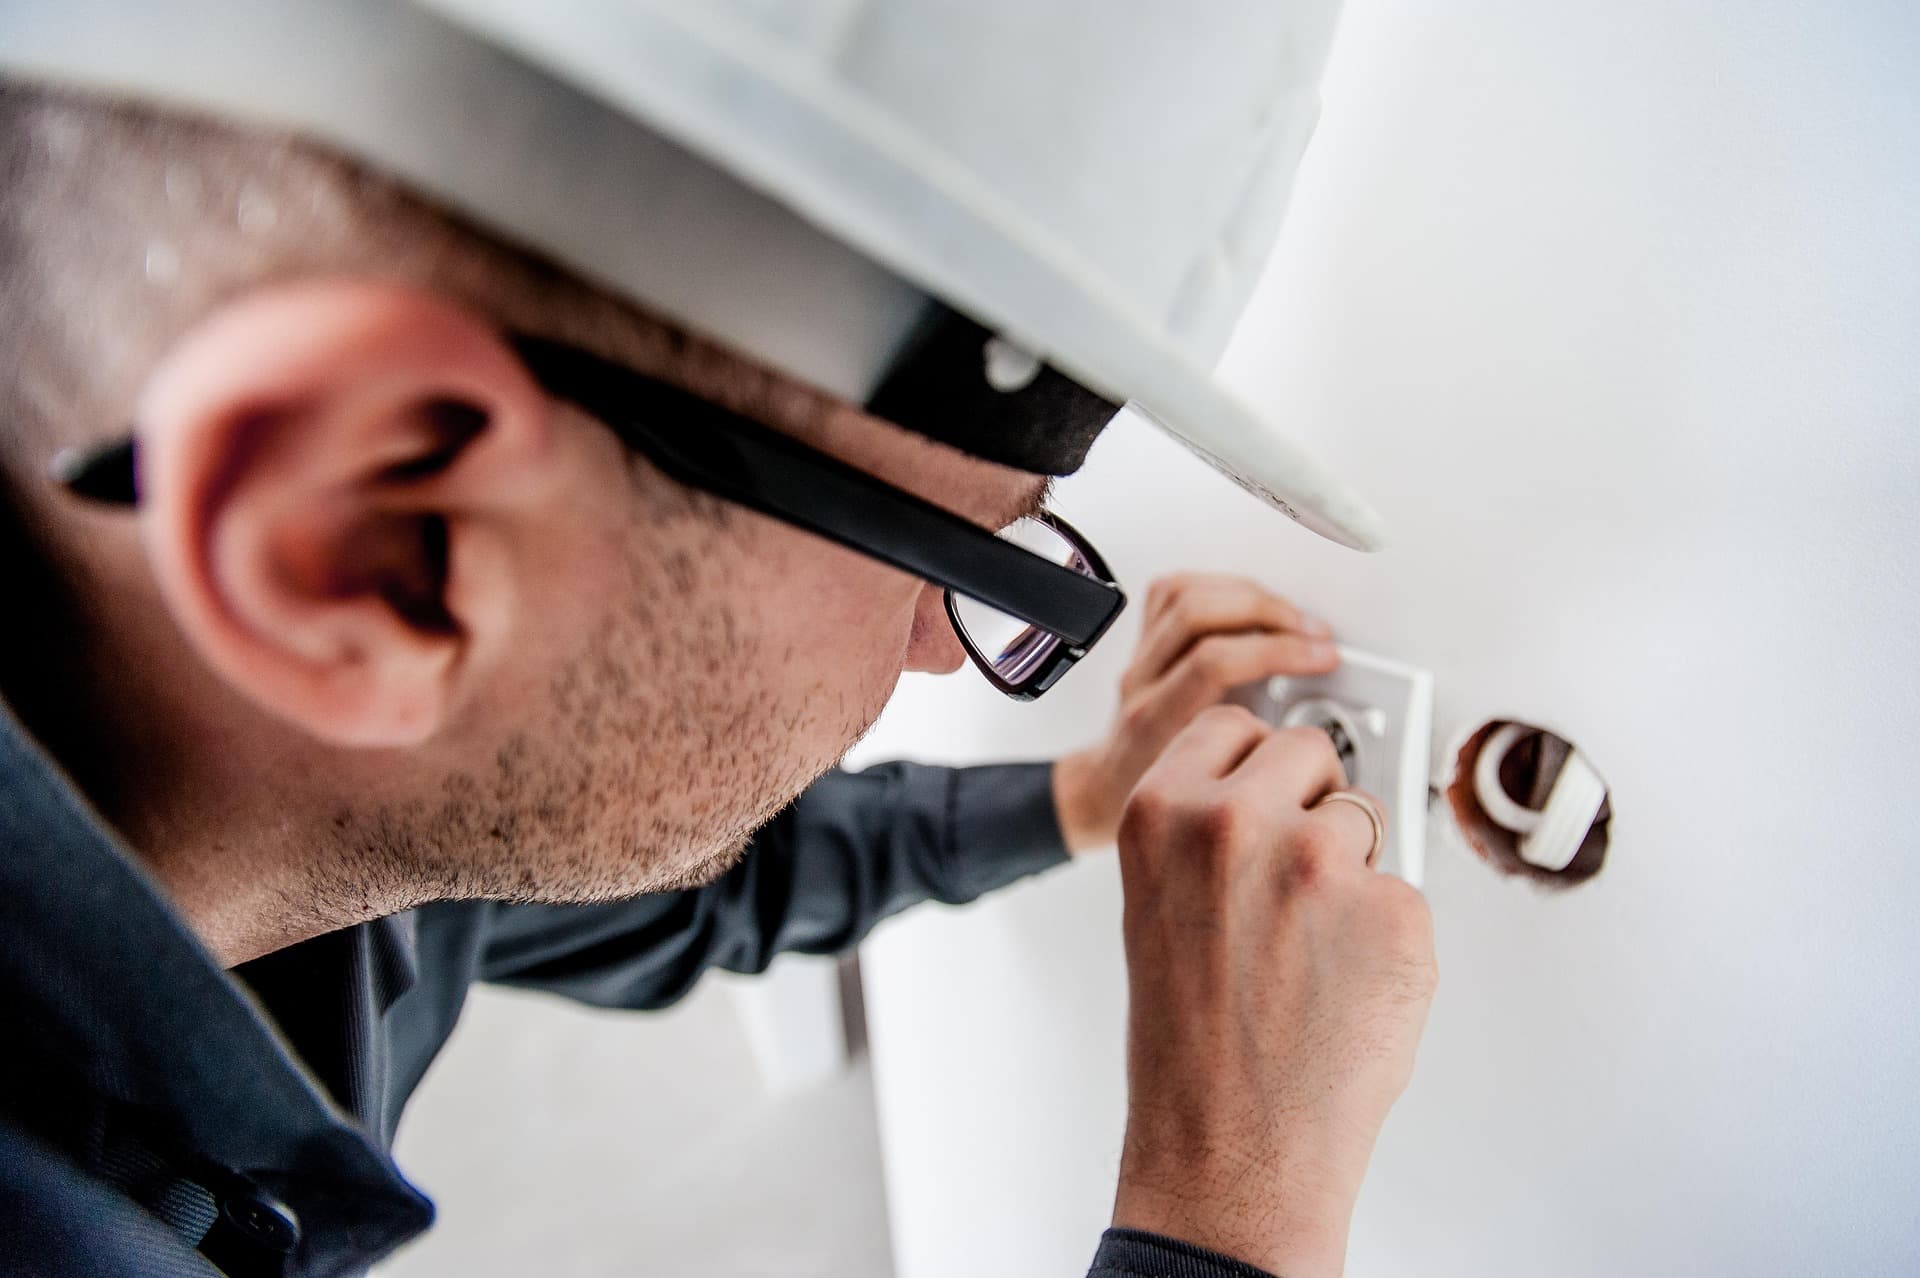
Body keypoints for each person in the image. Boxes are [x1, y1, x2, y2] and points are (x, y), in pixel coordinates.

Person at [0, 7, 1437, 1277]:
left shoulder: (328, 800)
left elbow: (697, 886)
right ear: (371, 542)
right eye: (960, 561)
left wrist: (1081, 793)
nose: (945, 652)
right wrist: (1222, 1225)